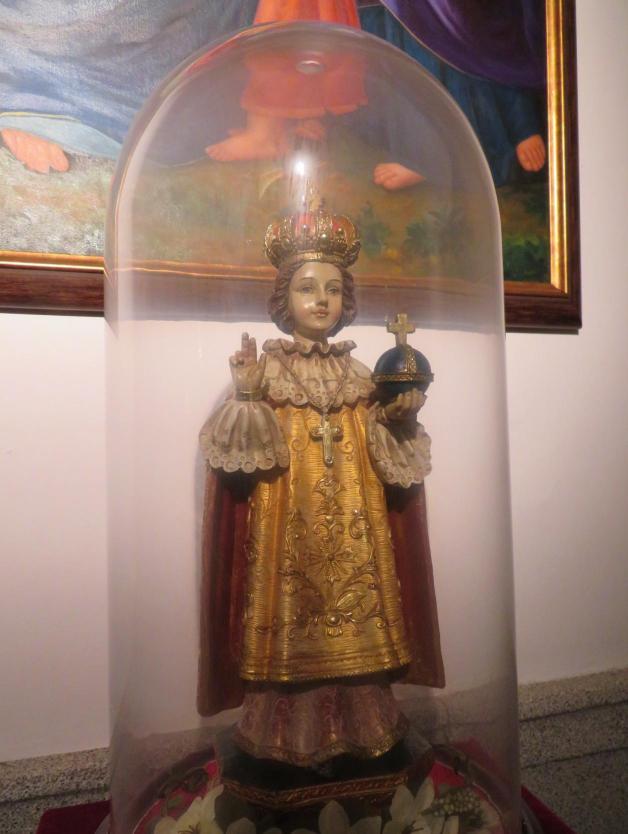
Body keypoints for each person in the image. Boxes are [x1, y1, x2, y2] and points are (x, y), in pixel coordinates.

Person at [197, 207, 444, 768]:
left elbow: (390, 462)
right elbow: (239, 460)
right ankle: (286, 730)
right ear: (285, 298)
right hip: (288, 528)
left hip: (355, 530)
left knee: (359, 612)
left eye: (333, 289)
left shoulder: (361, 378)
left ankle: (366, 721)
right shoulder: (266, 372)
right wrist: (247, 395)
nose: (321, 300)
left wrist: (399, 416)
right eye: (307, 287)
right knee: (290, 609)